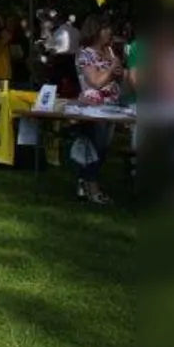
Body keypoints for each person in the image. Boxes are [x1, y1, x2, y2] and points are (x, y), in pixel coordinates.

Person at [73, 14, 122, 205]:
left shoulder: (109, 52)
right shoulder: (85, 54)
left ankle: (84, 182)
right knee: (96, 147)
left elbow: (117, 77)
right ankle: (92, 187)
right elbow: (94, 82)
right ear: (96, 30)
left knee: (103, 148)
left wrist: (118, 71)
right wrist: (111, 71)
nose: (111, 32)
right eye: (107, 28)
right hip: (94, 109)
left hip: (112, 107)